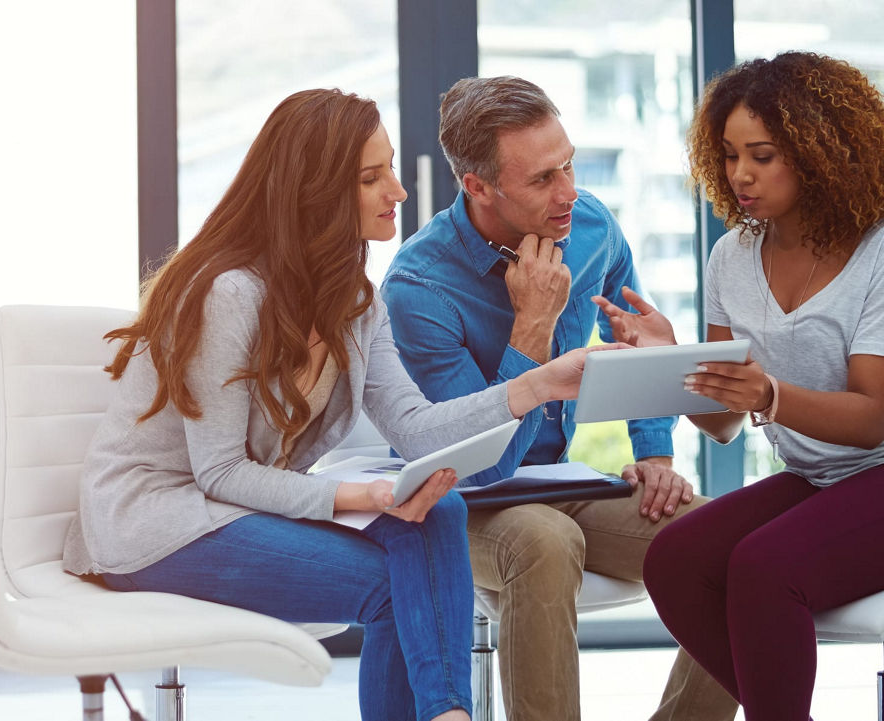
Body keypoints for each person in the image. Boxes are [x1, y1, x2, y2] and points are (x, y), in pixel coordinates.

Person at [60, 88, 607, 721]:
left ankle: (449, 715)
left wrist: (535, 384)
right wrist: (358, 497)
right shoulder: (229, 294)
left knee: (435, 514)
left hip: (233, 508)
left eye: (391, 168)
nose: (399, 191)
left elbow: (417, 426)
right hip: (156, 524)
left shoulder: (353, 303)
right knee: (396, 584)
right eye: (372, 178)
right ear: (315, 194)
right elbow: (218, 473)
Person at [594, 52, 884, 721]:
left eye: (762, 154)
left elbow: (872, 417)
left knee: (761, 565)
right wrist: (670, 360)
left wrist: (771, 396)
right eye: (728, 156)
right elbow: (723, 420)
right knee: (676, 558)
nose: (740, 175)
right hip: (828, 479)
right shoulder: (732, 255)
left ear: (819, 153)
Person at [381, 76, 738, 721]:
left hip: (558, 477)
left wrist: (654, 451)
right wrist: (533, 329)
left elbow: (635, 341)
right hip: (455, 500)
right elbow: (478, 465)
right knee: (543, 539)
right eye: (544, 178)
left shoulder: (593, 226)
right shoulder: (418, 287)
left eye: (568, 164)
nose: (570, 193)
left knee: (732, 548)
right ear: (478, 186)